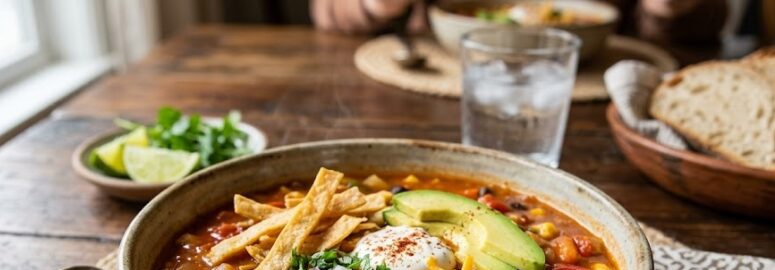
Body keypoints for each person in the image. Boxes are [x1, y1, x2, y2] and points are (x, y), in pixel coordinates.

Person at [310, 0, 729, 47]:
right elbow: (326, 12)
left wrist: (670, 12)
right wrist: (372, 7)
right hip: (429, 94)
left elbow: (707, 28)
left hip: (593, 100)